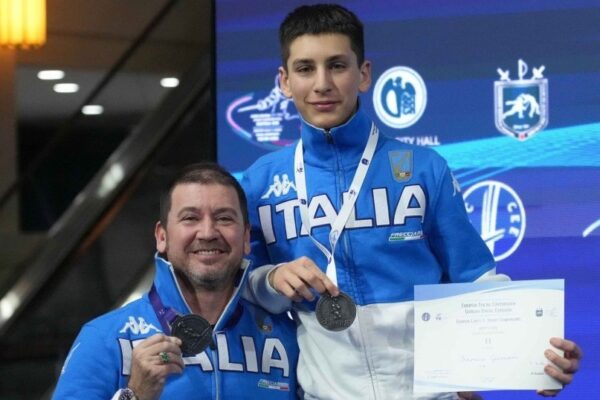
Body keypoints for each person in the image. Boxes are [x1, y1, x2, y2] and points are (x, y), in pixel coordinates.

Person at [241, 4, 582, 400]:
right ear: (284, 81)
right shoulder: (260, 182)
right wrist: (270, 279)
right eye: (305, 68)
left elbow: (475, 279)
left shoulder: (424, 168)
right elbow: (238, 288)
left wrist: (534, 355)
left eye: (337, 65)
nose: (322, 84)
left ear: (363, 74)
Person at [53, 162, 299, 400]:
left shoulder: (286, 338)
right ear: (162, 237)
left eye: (224, 218)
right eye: (190, 218)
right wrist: (134, 395)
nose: (207, 233)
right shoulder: (106, 337)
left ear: (245, 238)